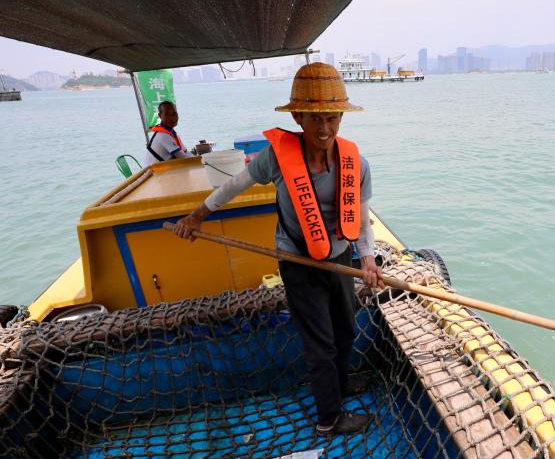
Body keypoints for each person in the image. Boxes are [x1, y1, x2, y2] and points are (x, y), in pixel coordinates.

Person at [173, 63, 383, 436]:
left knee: (346, 330)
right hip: (297, 261)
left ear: (341, 118)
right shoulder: (276, 157)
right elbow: (233, 185)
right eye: (314, 118)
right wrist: (197, 216)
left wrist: (366, 259)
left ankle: (340, 382)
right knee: (319, 342)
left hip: (339, 259)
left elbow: (362, 218)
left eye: (332, 118)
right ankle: (328, 419)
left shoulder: (356, 163)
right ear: (298, 117)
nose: (324, 129)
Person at [144, 101, 190, 165]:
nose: (171, 118)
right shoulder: (163, 135)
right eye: (167, 114)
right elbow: (183, 157)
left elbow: (185, 152)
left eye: (174, 113)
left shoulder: (171, 133)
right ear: (160, 116)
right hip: (155, 173)